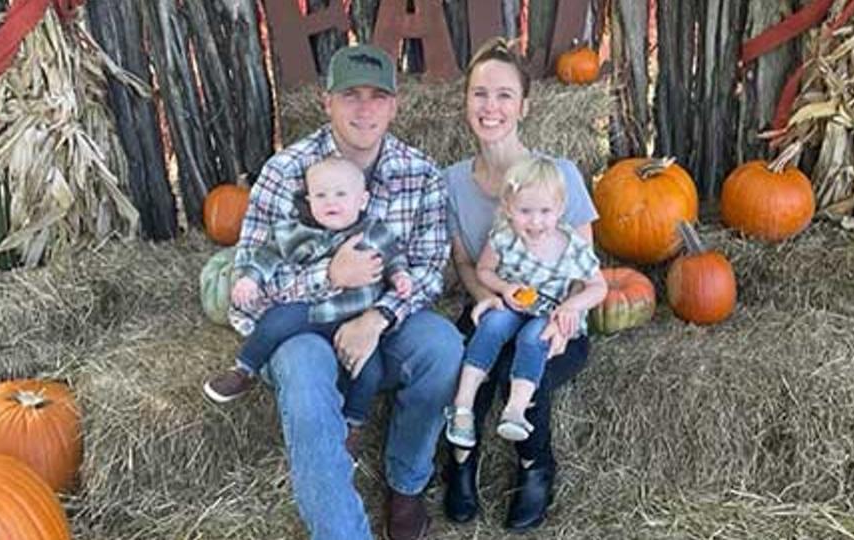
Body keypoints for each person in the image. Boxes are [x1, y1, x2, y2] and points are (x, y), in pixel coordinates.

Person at [233, 43, 463, 540]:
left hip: (378, 317)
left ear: (395, 105)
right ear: (326, 102)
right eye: (350, 95)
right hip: (303, 326)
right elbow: (247, 289)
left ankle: (406, 486)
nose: (364, 109)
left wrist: (376, 317)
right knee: (302, 373)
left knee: (443, 347)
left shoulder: (421, 175)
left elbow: (426, 271)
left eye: (377, 96)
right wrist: (330, 278)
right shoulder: (284, 172)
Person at [442, 37, 601, 531]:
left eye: (504, 95)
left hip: (554, 311)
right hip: (497, 303)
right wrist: (488, 298)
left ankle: (536, 466)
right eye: (480, 94)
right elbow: (468, 265)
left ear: (524, 106)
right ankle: (460, 466)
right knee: (466, 354)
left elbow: (582, 268)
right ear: (466, 101)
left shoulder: (560, 177)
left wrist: (568, 316)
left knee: (522, 362)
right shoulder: (450, 182)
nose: (491, 107)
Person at [204, 156, 412, 452]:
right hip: (314, 312)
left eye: (341, 194)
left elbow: (394, 257)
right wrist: (250, 279)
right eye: (321, 195)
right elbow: (266, 256)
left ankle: (354, 424)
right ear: (309, 199)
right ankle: (244, 369)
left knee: (371, 372)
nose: (331, 201)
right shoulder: (294, 231)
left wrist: (400, 275)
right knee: (276, 321)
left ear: (363, 199)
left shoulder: (375, 231)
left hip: (357, 320)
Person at [444, 155, 605, 449]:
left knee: (535, 337)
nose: (535, 221)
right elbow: (483, 271)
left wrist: (571, 306)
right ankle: (463, 404)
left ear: (560, 209)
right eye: (525, 211)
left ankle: (516, 410)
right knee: (492, 324)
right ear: (508, 208)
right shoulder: (504, 238)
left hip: (550, 313)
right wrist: (504, 288)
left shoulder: (572, 248)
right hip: (515, 304)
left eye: (545, 211)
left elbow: (599, 287)